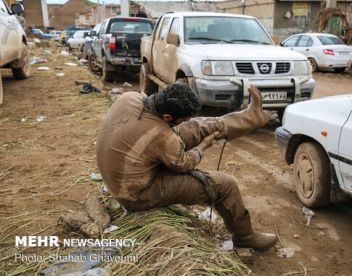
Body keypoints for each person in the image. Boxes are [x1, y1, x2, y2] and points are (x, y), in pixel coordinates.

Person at [96, 83, 278, 251]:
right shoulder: (162, 137)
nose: (184, 122)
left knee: (197, 126)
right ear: (167, 117)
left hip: (126, 168)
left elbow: (171, 131)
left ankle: (251, 117)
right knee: (225, 185)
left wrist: (189, 128)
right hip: (135, 193)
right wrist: (203, 146)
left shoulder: (131, 97)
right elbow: (183, 164)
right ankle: (245, 236)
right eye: (181, 119)